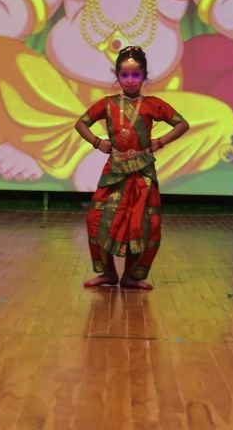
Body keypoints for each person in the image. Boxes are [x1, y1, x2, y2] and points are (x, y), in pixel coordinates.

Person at [75, 45, 189, 290]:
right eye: (124, 74)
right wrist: (97, 142)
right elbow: (81, 124)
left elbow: (182, 124)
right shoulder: (107, 104)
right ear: (117, 76)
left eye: (135, 74)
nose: (129, 79)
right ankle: (108, 274)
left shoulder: (152, 104)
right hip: (114, 173)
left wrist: (159, 142)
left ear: (144, 77)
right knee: (96, 220)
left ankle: (131, 276)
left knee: (141, 224)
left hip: (142, 175)